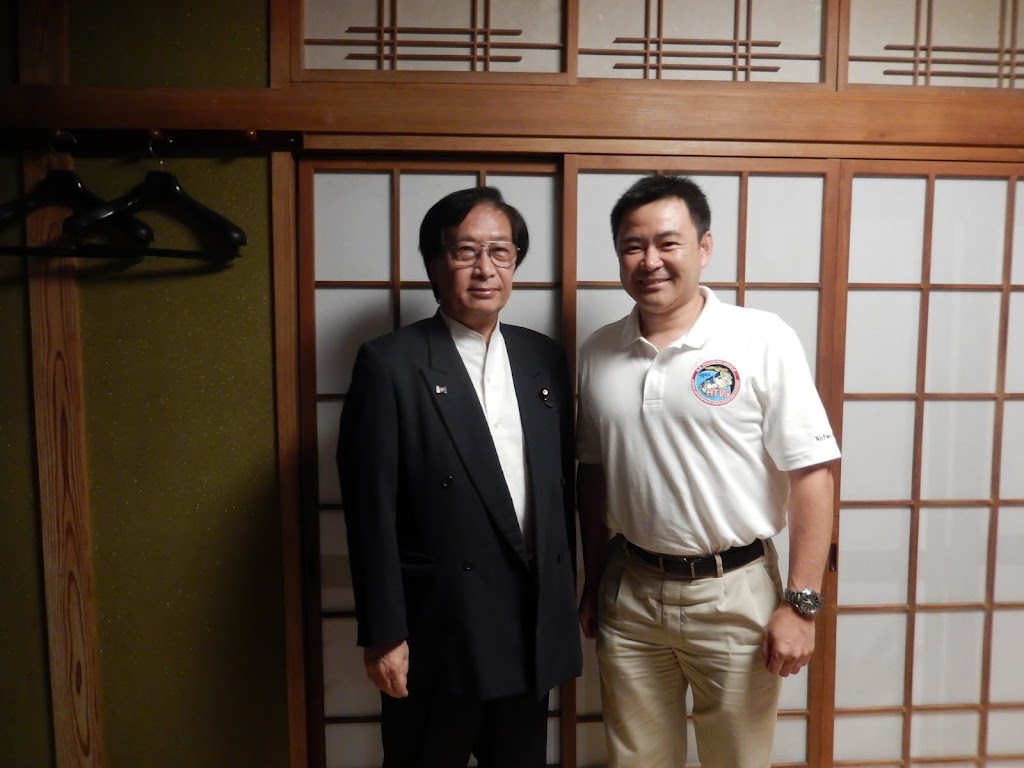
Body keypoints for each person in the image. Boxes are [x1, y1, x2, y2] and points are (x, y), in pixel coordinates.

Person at [575, 174, 841, 768]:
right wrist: (592, 581)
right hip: (631, 591)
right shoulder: (597, 350)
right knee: (636, 761)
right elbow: (592, 475)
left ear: (704, 247)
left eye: (667, 243)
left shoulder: (760, 337)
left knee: (736, 760)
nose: (650, 261)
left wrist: (801, 605)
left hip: (735, 591)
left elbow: (813, 475)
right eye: (632, 246)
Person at [337, 186, 582, 768]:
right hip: (439, 628)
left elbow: (561, 489)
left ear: (515, 262)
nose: (484, 269)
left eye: (500, 252)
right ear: (434, 262)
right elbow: (369, 511)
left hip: (528, 623)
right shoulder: (390, 363)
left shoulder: (543, 358)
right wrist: (384, 632)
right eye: (465, 251)